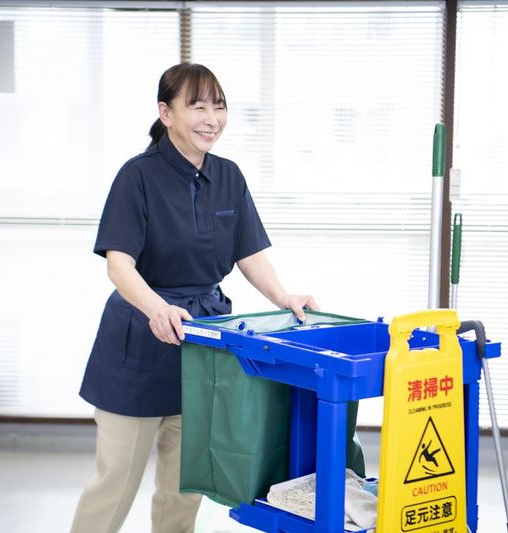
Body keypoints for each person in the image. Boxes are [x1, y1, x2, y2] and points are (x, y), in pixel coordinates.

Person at [71, 63, 318, 533]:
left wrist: (282, 295)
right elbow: (118, 265)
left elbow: (249, 253)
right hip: (139, 340)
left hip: (204, 342)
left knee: (185, 487)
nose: (211, 118)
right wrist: (157, 309)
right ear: (166, 113)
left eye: (218, 107)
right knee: (115, 482)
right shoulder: (136, 176)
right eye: (197, 106)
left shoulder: (228, 176)